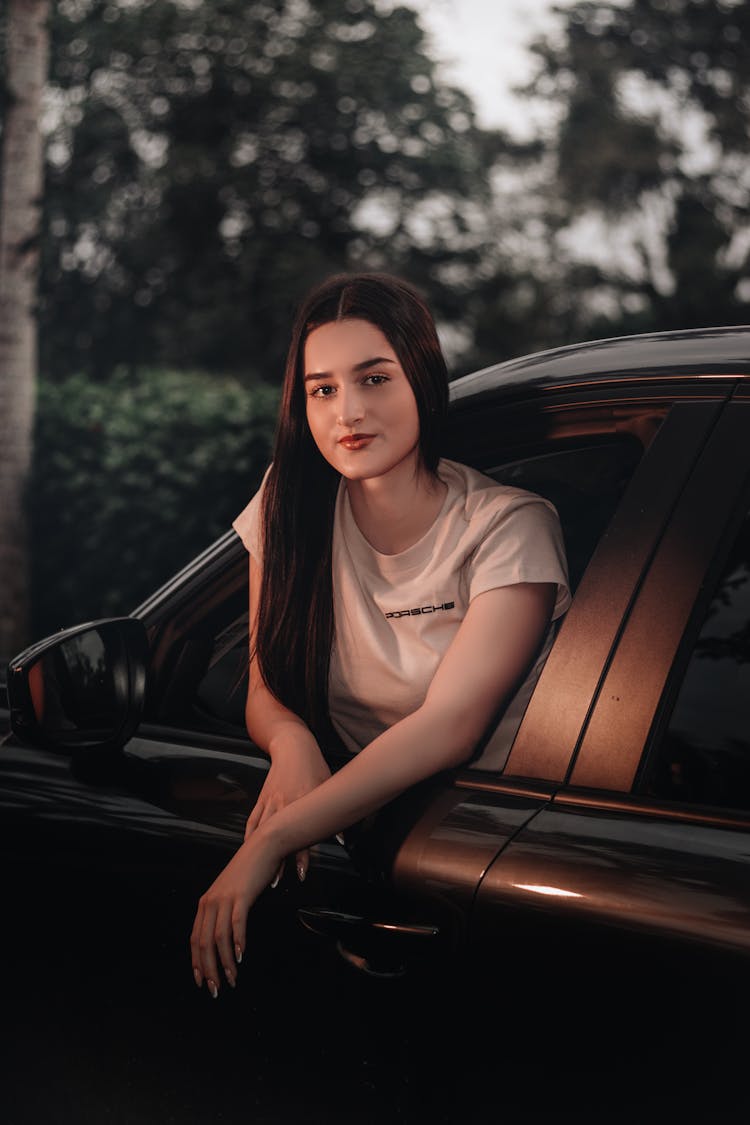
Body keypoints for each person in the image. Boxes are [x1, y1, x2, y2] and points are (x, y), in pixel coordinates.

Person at [190, 272, 571, 997]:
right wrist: (293, 743)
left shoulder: (507, 525)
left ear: (422, 379)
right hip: (367, 855)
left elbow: (451, 727)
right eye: (322, 389)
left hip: (487, 848)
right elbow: (265, 677)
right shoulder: (289, 501)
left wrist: (277, 833)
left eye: (373, 378)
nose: (349, 412)